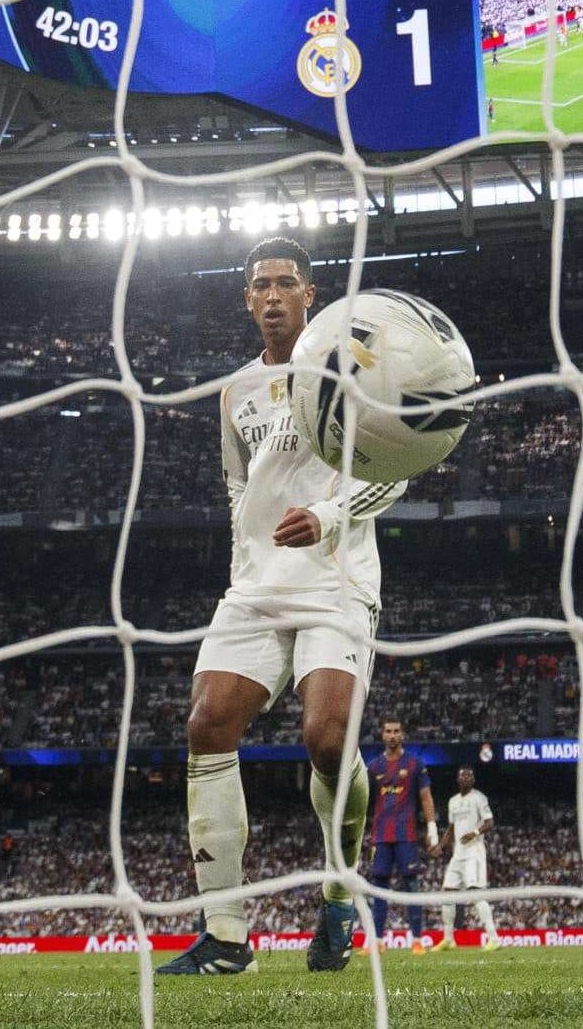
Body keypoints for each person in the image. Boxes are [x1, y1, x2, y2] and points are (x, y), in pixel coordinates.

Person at [156, 239, 406, 978]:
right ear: (246, 299)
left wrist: (329, 517)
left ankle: (336, 894)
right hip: (257, 587)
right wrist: (245, 566)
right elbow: (240, 489)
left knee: (327, 740)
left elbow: (393, 472)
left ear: (310, 294)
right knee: (207, 725)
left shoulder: (349, 370)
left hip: (336, 578)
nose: (272, 295)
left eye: (285, 284)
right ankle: (226, 937)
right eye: (260, 284)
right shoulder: (234, 392)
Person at [366, 718, 438, 951]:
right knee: (379, 886)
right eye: (388, 731)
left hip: (406, 834)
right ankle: (377, 941)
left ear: (403, 734)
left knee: (412, 885)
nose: (393, 735)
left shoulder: (415, 764)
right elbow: (364, 799)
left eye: (397, 731)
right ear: (382, 735)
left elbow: (426, 797)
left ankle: (417, 940)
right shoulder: (374, 766)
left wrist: (432, 828)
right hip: (381, 835)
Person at [436, 765, 498, 951]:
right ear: (457, 779)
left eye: (469, 776)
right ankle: (449, 939)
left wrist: (475, 832)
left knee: (475, 893)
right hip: (458, 854)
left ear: (473, 780)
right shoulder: (453, 801)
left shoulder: (479, 798)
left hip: (474, 852)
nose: (465, 778)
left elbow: (489, 821)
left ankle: (493, 938)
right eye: (462, 775)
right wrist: (441, 845)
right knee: (448, 892)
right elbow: (451, 827)